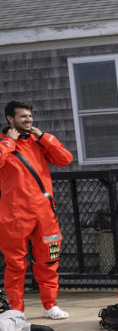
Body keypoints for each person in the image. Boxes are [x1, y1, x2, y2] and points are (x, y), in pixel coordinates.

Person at [0, 100, 73, 319]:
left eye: (30, 116)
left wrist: (44, 138)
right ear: (10, 119)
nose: (28, 120)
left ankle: (50, 305)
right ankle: (16, 309)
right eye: (23, 116)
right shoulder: (4, 144)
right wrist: (9, 143)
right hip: (14, 215)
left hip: (44, 213)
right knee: (15, 264)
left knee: (49, 261)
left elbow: (65, 159)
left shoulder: (39, 142)